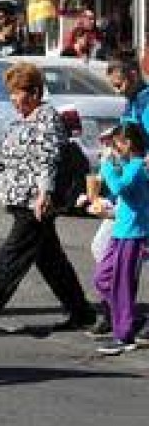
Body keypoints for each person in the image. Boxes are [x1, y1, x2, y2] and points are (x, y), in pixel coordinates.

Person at [0, 62, 96, 334]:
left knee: (13, 255)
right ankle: (82, 312)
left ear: (33, 92)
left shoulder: (47, 118)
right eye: (10, 92)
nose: (12, 98)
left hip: (34, 202)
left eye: (16, 92)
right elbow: (1, 158)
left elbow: (48, 158)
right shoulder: (19, 122)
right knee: (51, 261)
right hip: (20, 199)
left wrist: (45, 193)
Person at [90, 123, 149, 355]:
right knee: (102, 278)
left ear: (129, 144)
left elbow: (118, 186)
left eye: (117, 144)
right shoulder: (128, 165)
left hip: (133, 234)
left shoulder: (136, 166)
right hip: (120, 232)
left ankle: (124, 336)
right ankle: (131, 317)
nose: (114, 148)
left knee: (122, 285)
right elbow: (119, 195)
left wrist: (105, 164)